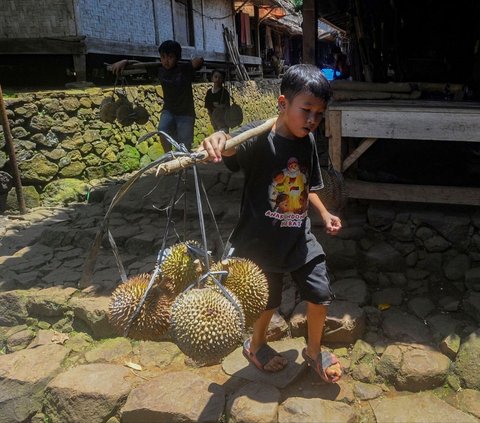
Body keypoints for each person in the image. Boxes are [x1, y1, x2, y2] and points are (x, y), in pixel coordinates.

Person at [201, 64, 343, 383]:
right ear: (282, 104)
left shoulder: (306, 142)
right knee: (269, 300)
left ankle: (313, 349)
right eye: (306, 110)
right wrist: (219, 139)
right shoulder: (258, 138)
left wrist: (323, 213)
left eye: (319, 114)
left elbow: (307, 188)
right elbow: (231, 145)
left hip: (298, 235)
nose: (312, 121)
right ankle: (256, 345)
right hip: (261, 240)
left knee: (320, 292)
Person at [111, 40, 204, 152]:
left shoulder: (184, 69)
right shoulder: (159, 69)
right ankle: (169, 156)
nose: (166, 61)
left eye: (170, 57)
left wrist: (199, 61)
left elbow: (198, 62)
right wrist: (125, 61)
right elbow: (139, 64)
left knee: (184, 144)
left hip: (186, 113)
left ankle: (183, 167)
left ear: (177, 57)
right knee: (162, 130)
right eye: (163, 57)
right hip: (169, 110)